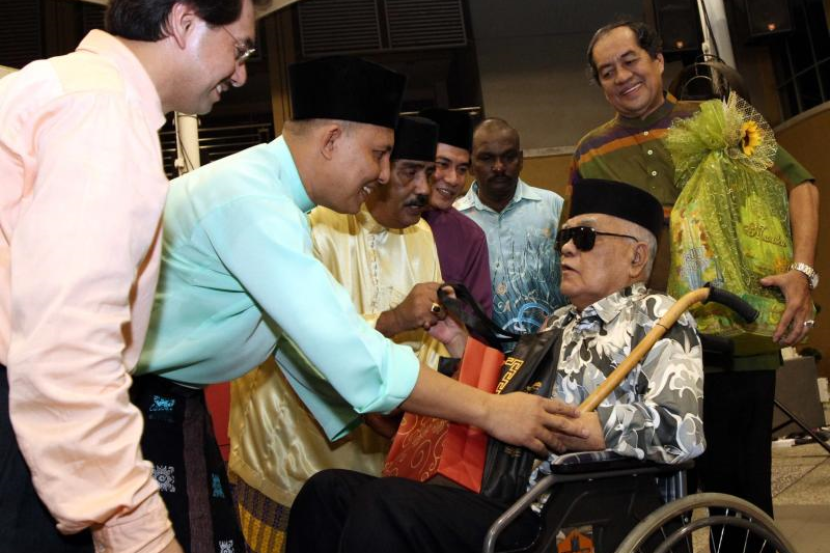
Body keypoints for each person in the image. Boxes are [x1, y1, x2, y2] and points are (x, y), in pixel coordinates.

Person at [134, 55, 584, 553]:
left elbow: (305, 353)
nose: (383, 173)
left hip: (173, 406)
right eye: (379, 154)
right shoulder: (256, 205)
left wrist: (396, 429)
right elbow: (351, 355)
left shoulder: (272, 197)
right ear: (331, 140)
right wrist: (492, 411)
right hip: (146, 408)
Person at [285, 179, 705, 553]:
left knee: (387, 505)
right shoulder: (557, 321)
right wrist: (460, 346)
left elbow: (683, 431)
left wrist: (580, 426)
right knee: (328, 491)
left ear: (637, 257)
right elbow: (505, 399)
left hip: (566, 507)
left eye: (584, 237)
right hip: (504, 489)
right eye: (564, 237)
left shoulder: (659, 316)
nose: (566, 248)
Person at [0, 0, 259, 551]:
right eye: (239, 49)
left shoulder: (63, 83)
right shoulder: (104, 114)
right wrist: (138, 532)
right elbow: (69, 350)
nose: (240, 75)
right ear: (184, 22)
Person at [571, 19, 820, 524]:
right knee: (661, 510)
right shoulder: (590, 153)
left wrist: (802, 272)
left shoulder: (720, 121)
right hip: (646, 356)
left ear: (659, 60)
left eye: (630, 61)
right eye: (607, 71)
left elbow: (800, 184)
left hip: (736, 341)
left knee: (743, 502)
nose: (622, 76)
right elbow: (581, 243)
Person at [228, 115, 448, 553]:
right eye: (409, 171)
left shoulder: (422, 233)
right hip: (295, 447)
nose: (424, 189)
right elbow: (301, 340)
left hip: (385, 448)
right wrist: (394, 319)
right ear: (378, 169)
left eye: (429, 172)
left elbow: (430, 340)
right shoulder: (311, 223)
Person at [456, 118, 567, 337]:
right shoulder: (455, 220)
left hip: (554, 342)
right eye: (487, 158)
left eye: (508, 157)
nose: (499, 167)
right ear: (470, 164)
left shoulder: (553, 207)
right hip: (485, 348)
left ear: (521, 159)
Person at [418, 108, 493, 316]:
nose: (453, 179)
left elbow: (478, 321)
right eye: (442, 164)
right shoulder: (374, 222)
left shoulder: (469, 237)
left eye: (462, 169)